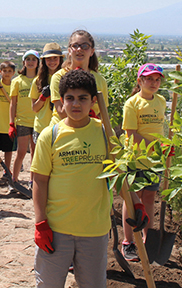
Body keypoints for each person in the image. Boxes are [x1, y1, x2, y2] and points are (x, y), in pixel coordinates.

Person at [31, 69, 148, 288]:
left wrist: (136, 202)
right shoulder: (51, 135)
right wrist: (40, 223)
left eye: (83, 98)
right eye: (70, 98)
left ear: (93, 101)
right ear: (61, 101)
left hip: (94, 230)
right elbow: (40, 181)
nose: (76, 104)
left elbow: (118, 175)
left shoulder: (105, 134)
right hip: (56, 230)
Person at [121, 63, 166, 262]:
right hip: (136, 159)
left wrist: (166, 146)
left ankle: (147, 241)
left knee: (150, 198)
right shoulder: (132, 104)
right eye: (149, 79)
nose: (153, 83)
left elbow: (160, 130)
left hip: (155, 161)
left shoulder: (161, 101)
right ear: (140, 81)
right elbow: (131, 134)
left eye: (157, 79)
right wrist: (155, 147)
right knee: (132, 199)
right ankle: (128, 242)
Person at [49, 30, 108, 126]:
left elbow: (103, 113)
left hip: (90, 132)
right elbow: (62, 112)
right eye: (75, 46)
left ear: (92, 51)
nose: (79, 49)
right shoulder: (58, 77)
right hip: (62, 132)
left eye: (85, 46)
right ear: (69, 50)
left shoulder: (100, 81)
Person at [9, 50, 40, 187]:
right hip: (22, 121)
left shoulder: (40, 80)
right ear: (24, 62)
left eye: (34, 59)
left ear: (38, 62)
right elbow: (13, 103)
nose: (31, 62)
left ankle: (32, 181)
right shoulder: (17, 81)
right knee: (20, 152)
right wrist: (11, 122)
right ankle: (14, 180)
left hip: (37, 122)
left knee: (34, 153)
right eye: (28, 59)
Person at [30, 43, 63, 144]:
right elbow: (34, 108)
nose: (52, 62)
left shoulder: (66, 78)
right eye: (49, 59)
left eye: (55, 58)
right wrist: (43, 97)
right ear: (44, 61)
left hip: (60, 126)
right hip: (42, 127)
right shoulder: (37, 81)